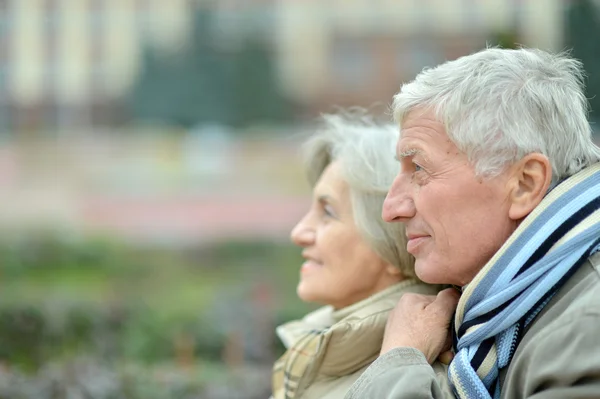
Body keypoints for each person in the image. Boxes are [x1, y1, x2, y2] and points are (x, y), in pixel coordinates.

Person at [346, 48, 600, 399]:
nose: (391, 209)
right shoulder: (528, 317)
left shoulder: (586, 328)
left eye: (418, 168)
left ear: (524, 184)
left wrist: (399, 361)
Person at [271, 113, 446, 399]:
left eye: (327, 212)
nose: (299, 232)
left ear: (393, 242)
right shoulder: (321, 357)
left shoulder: (429, 383)